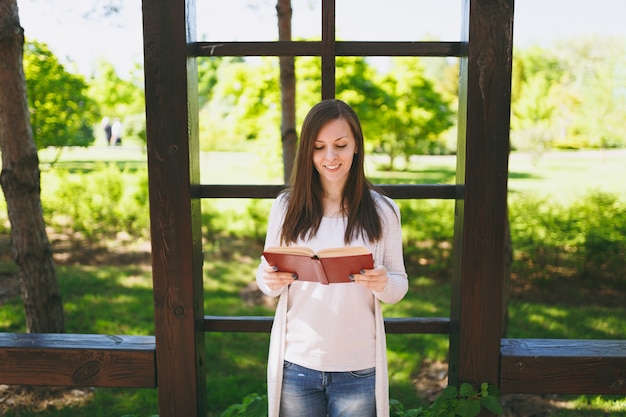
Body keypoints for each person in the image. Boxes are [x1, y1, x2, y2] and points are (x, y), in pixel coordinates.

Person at [256, 99, 408, 417]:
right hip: (297, 362)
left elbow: (398, 286)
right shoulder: (286, 207)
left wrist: (382, 282)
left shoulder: (383, 211)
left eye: (340, 145)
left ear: (357, 147)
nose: (330, 157)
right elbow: (267, 279)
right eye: (319, 147)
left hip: (359, 366)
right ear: (307, 152)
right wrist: (267, 278)